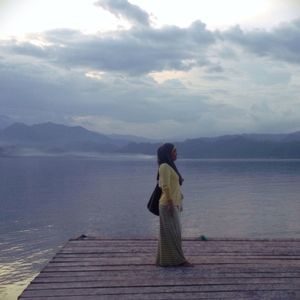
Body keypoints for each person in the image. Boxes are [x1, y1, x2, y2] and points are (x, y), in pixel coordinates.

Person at [156, 143, 193, 267]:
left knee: (172, 234)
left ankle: (165, 261)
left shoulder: (170, 166)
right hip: (167, 205)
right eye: (174, 151)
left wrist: (179, 198)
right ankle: (180, 260)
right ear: (168, 153)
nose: (176, 153)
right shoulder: (164, 166)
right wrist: (171, 203)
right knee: (173, 234)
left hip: (173, 203)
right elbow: (165, 186)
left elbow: (172, 186)